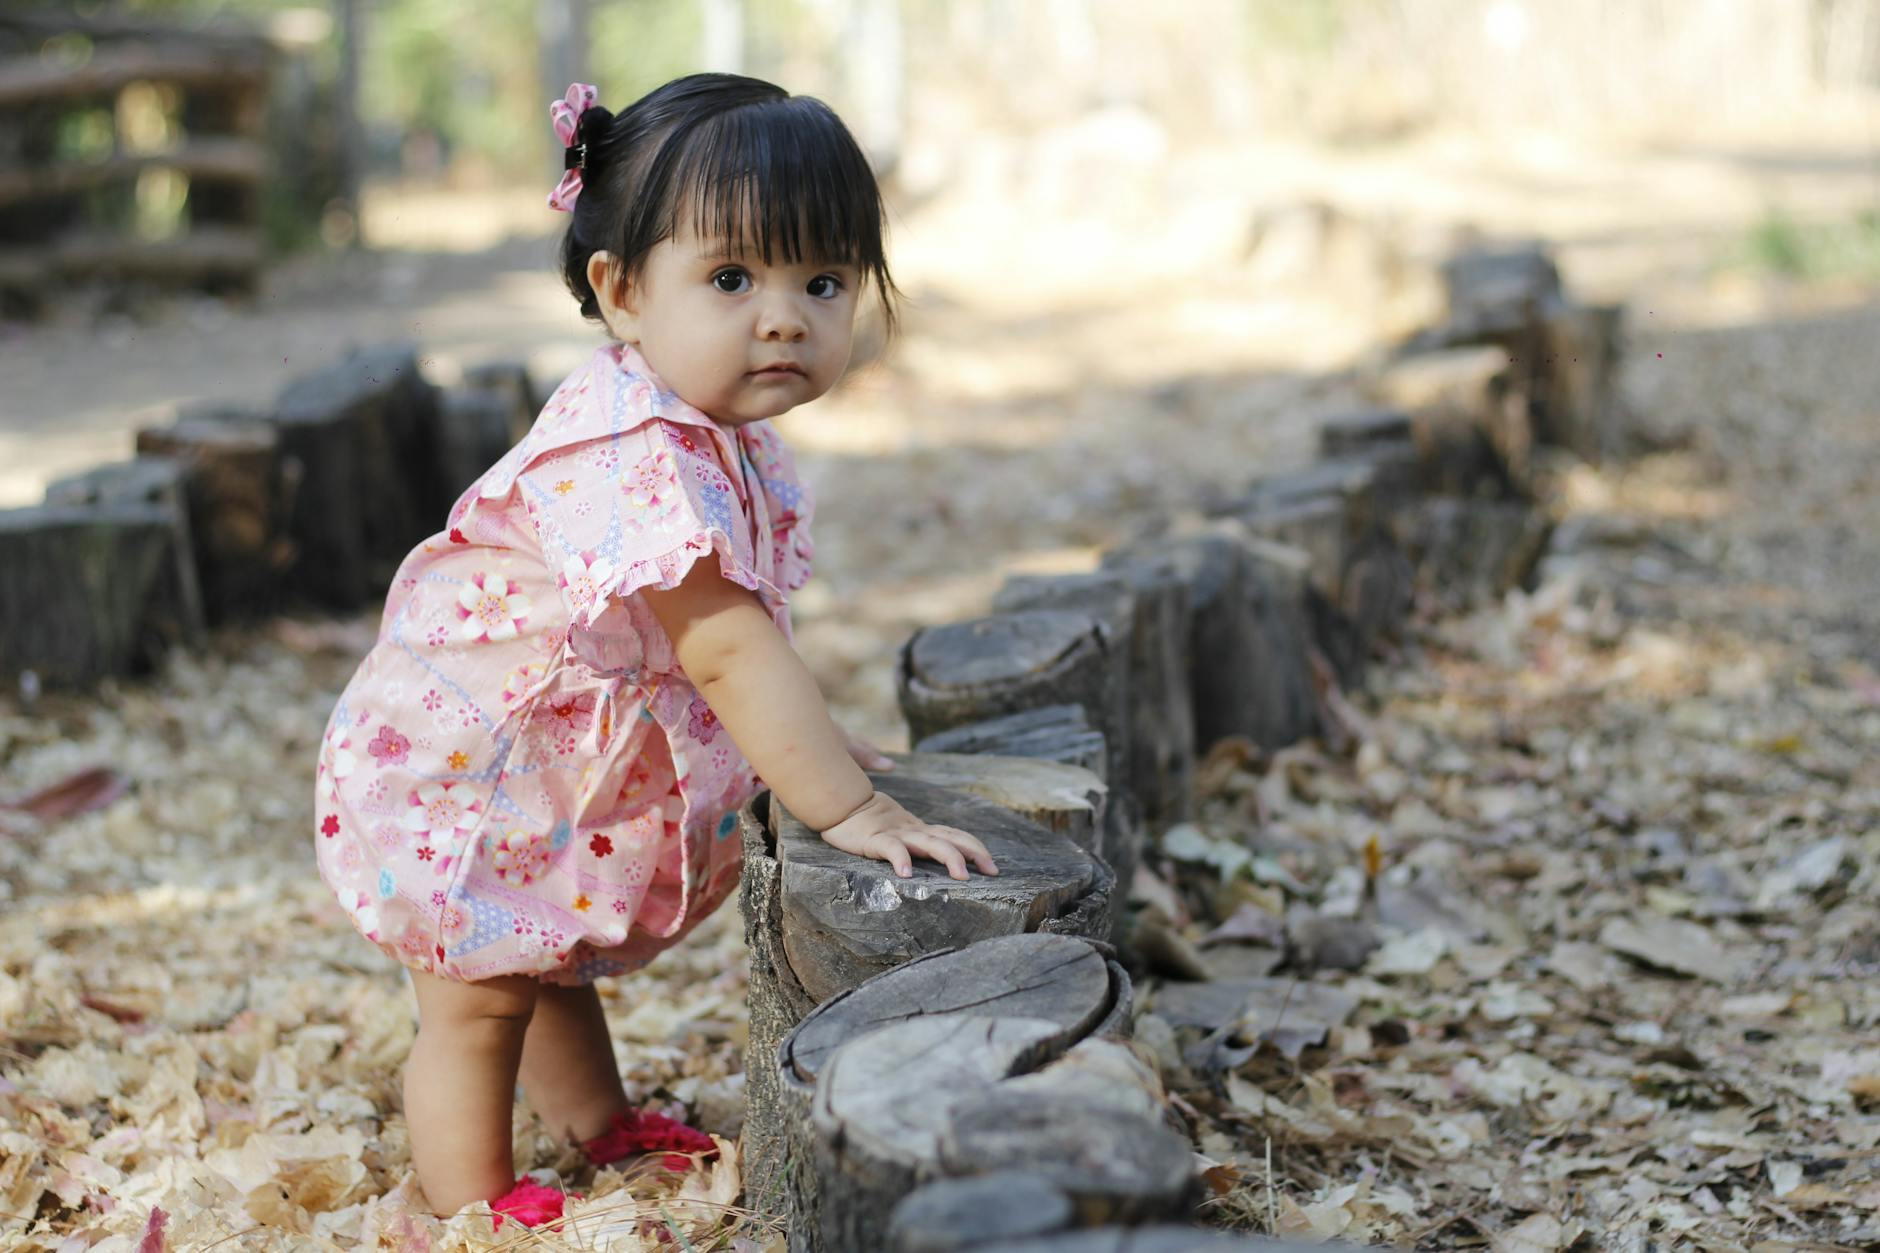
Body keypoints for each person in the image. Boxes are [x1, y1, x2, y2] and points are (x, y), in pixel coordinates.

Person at [313, 73, 1000, 1228]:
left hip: (541, 768)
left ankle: (601, 1127)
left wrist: (826, 746)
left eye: (821, 280)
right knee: (478, 1005)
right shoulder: (631, 448)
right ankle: (471, 1200)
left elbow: (743, 644)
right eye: (731, 278)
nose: (781, 315)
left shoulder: (707, 428)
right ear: (622, 291)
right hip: (464, 776)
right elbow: (726, 649)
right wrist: (848, 807)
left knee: (545, 962)